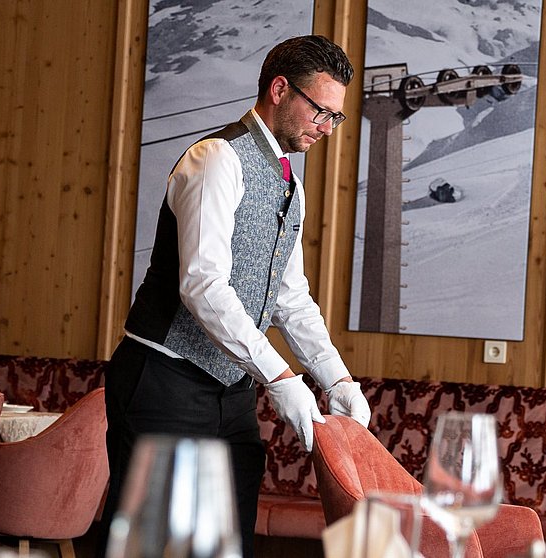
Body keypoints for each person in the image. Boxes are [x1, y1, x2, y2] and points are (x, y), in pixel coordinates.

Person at [99, 35, 371, 558]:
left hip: (230, 395)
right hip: (163, 383)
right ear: (279, 90)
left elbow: (291, 298)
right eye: (320, 111)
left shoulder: (290, 182)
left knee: (228, 546)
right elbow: (203, 286)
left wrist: (336, 379)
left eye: (335, 118)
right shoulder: (215, 159)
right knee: (147, 548)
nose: (326, 128)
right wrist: (281, 377)